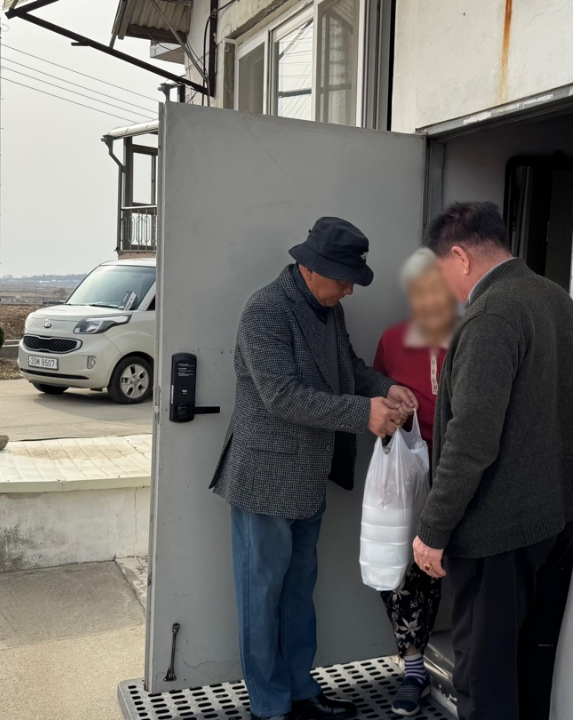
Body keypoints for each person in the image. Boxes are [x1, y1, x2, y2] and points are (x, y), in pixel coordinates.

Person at [211, 216, 417, 720]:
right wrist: (363, 414)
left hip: (307, 477)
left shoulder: (329, 311)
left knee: (298, 592)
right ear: (311, 267)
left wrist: (385, 387)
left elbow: (349, 368)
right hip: (264, 479)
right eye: (344, 279)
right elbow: (281, 396)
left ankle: (301, 691)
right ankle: (270, 706)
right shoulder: (265, 309)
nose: (349, 290)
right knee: (262, 596)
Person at [412, 201, 573, 720]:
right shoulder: (556, 299)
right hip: (554, 514)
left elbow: (471, 438)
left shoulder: (491, 314)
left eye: (440, 272)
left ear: (460, 257)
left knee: (485, 676)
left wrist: (433, 529)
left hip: (500, 527)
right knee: (530, 663)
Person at [370, 247, 458, 716]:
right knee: (401, 569)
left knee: (462, 564)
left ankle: (474, 667)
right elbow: (375, 391)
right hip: (406, 467)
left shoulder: (472, 334)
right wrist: (392, 408)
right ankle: (414, 669)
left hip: (462, 467)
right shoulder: (392, 339)